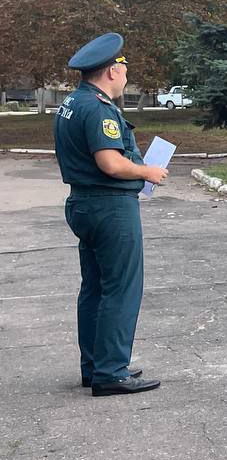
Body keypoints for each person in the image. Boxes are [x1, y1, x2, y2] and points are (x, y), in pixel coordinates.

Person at [53, 33, 166, 396]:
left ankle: (95, 365)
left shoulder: (72, 102)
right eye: (125, 69)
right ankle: (111, 372)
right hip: (110, 207)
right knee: (121, 288)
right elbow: (110, 163)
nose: (126, 76)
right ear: (112, 71)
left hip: (84, 203)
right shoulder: (99, 108)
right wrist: (148, 172)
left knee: (95, 288)